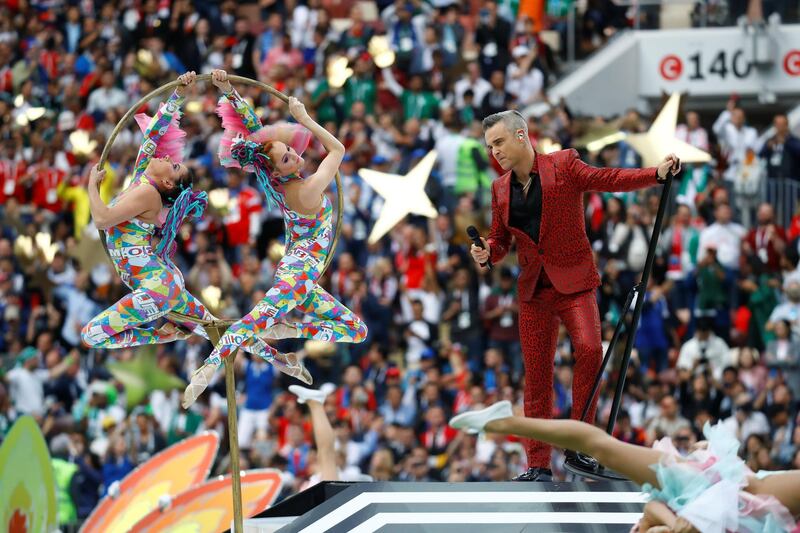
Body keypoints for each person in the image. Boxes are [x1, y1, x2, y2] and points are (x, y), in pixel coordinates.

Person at [470, 110, 679, 481]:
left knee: (589, 350)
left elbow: (607, 178)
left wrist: (655, 174)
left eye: (499, 142)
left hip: (574, 282)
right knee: (536, 375)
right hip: (534, 290)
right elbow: (502, 240)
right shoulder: (499, 188)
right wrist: (488, 251)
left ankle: (580, 448)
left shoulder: (564, 165)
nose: (494, 152)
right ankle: (537, 464)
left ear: (522, 135)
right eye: (490, 146)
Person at [183, 70, 368, 407]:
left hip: (301, 274)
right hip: (297, 276)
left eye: (290, 152)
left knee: (356, 330)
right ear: (277, 170)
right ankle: (206, 369)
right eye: (287, 158)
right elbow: (337, 150)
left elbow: (255, 133)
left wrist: (228, 90)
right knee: (246, 327)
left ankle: (288, 332)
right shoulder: (307, 191)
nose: (296, 157)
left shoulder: (280, 181)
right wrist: (304, 118)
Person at [450, 401, 799, 532]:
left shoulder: (652, 526)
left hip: (708, 493)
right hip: (730, 492)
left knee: (603, 447)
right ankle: (508, 421)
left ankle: (507, 421)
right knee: (602, 446)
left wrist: (673, 523)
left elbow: (651, 508)